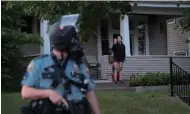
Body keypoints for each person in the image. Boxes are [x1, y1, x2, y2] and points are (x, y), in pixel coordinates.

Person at [21, 15, 101, 114]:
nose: (76, 43)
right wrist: (49, 93)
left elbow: (90, 94)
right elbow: (25, 92)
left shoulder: (79, 65)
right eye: (73, 40)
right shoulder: (39, 64)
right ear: (63, 42)